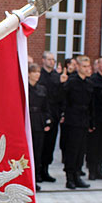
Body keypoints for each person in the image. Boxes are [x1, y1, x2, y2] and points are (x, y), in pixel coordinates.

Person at [60, 55, 94, 189]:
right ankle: (69, 178)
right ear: (78, 67)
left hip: (84, 119)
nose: (87, 69)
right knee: (72, 150)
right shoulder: (71, 82)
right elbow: (63, 99)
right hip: (72, 119)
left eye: (88, 66)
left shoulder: (89, 83)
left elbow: (92, 104)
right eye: (84, 66)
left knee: (81, 150)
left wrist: (92, 122)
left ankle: (77, 176)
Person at [38, 51, 62, 183]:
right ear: (43, 60)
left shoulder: (56, 76)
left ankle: (46, 169)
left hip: (54, 113)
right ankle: (39, 171)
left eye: (53, 60)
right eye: (49, 59)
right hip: (42, 114)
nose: (51, 62)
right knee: (41, 144)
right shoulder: (39, 75)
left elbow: (60, 96)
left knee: (50, 144)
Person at [28, 63, 52, 190]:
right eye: (34, 72)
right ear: (28, 74)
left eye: (38, 72)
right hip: (28, 120)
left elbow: (46, 107)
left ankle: (35, 178)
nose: (37, 75)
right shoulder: (24, 87)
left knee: (38, 152)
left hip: (39, 122)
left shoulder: (42, 89)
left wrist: (47, 121)